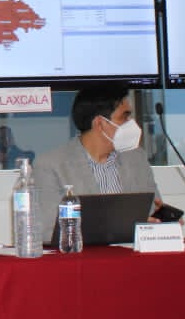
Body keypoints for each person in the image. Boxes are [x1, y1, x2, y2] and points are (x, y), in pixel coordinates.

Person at [31, 84, 162, 240]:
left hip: (132, 253)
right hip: (82, 255)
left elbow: (153, 211)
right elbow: (47, 229)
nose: (132, 123)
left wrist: (164, 223)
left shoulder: (136, 158)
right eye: (124, 117)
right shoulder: (50, 165)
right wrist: (122, 227)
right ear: (100, 123)